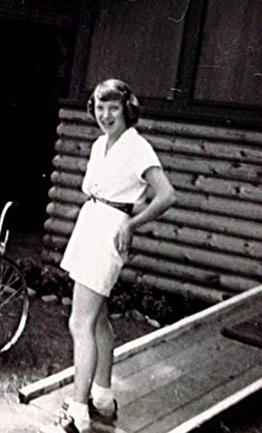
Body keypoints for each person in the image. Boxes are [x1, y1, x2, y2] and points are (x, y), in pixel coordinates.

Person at [54, 79, 176, 433]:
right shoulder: (99, 145)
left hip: (108, 232)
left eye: (113, 108)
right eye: (100, 107)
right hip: (91, 223)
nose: (106, 115)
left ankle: (78, 411)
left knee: (79, 323)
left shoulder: (137, 147)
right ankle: (103, 398)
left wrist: (131, 223)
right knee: (98, 319)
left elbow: (166, 195)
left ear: (126, 109)